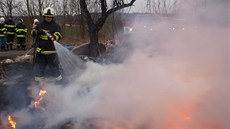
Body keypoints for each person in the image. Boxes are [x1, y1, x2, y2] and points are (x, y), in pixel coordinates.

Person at [31, 7, 62, 83]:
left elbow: (58, 35)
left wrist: (54, 37)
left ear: (52, 17)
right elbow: (33, 33)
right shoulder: (40, 25)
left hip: (51, 54)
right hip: (40, 53)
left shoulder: (55, 26)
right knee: (38, 70)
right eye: (47, 16)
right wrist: (37, 32)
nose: (48, 18)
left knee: (55, 71)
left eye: (50, 17)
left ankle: (60, 85)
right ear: (44, 17)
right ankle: (39, 86)